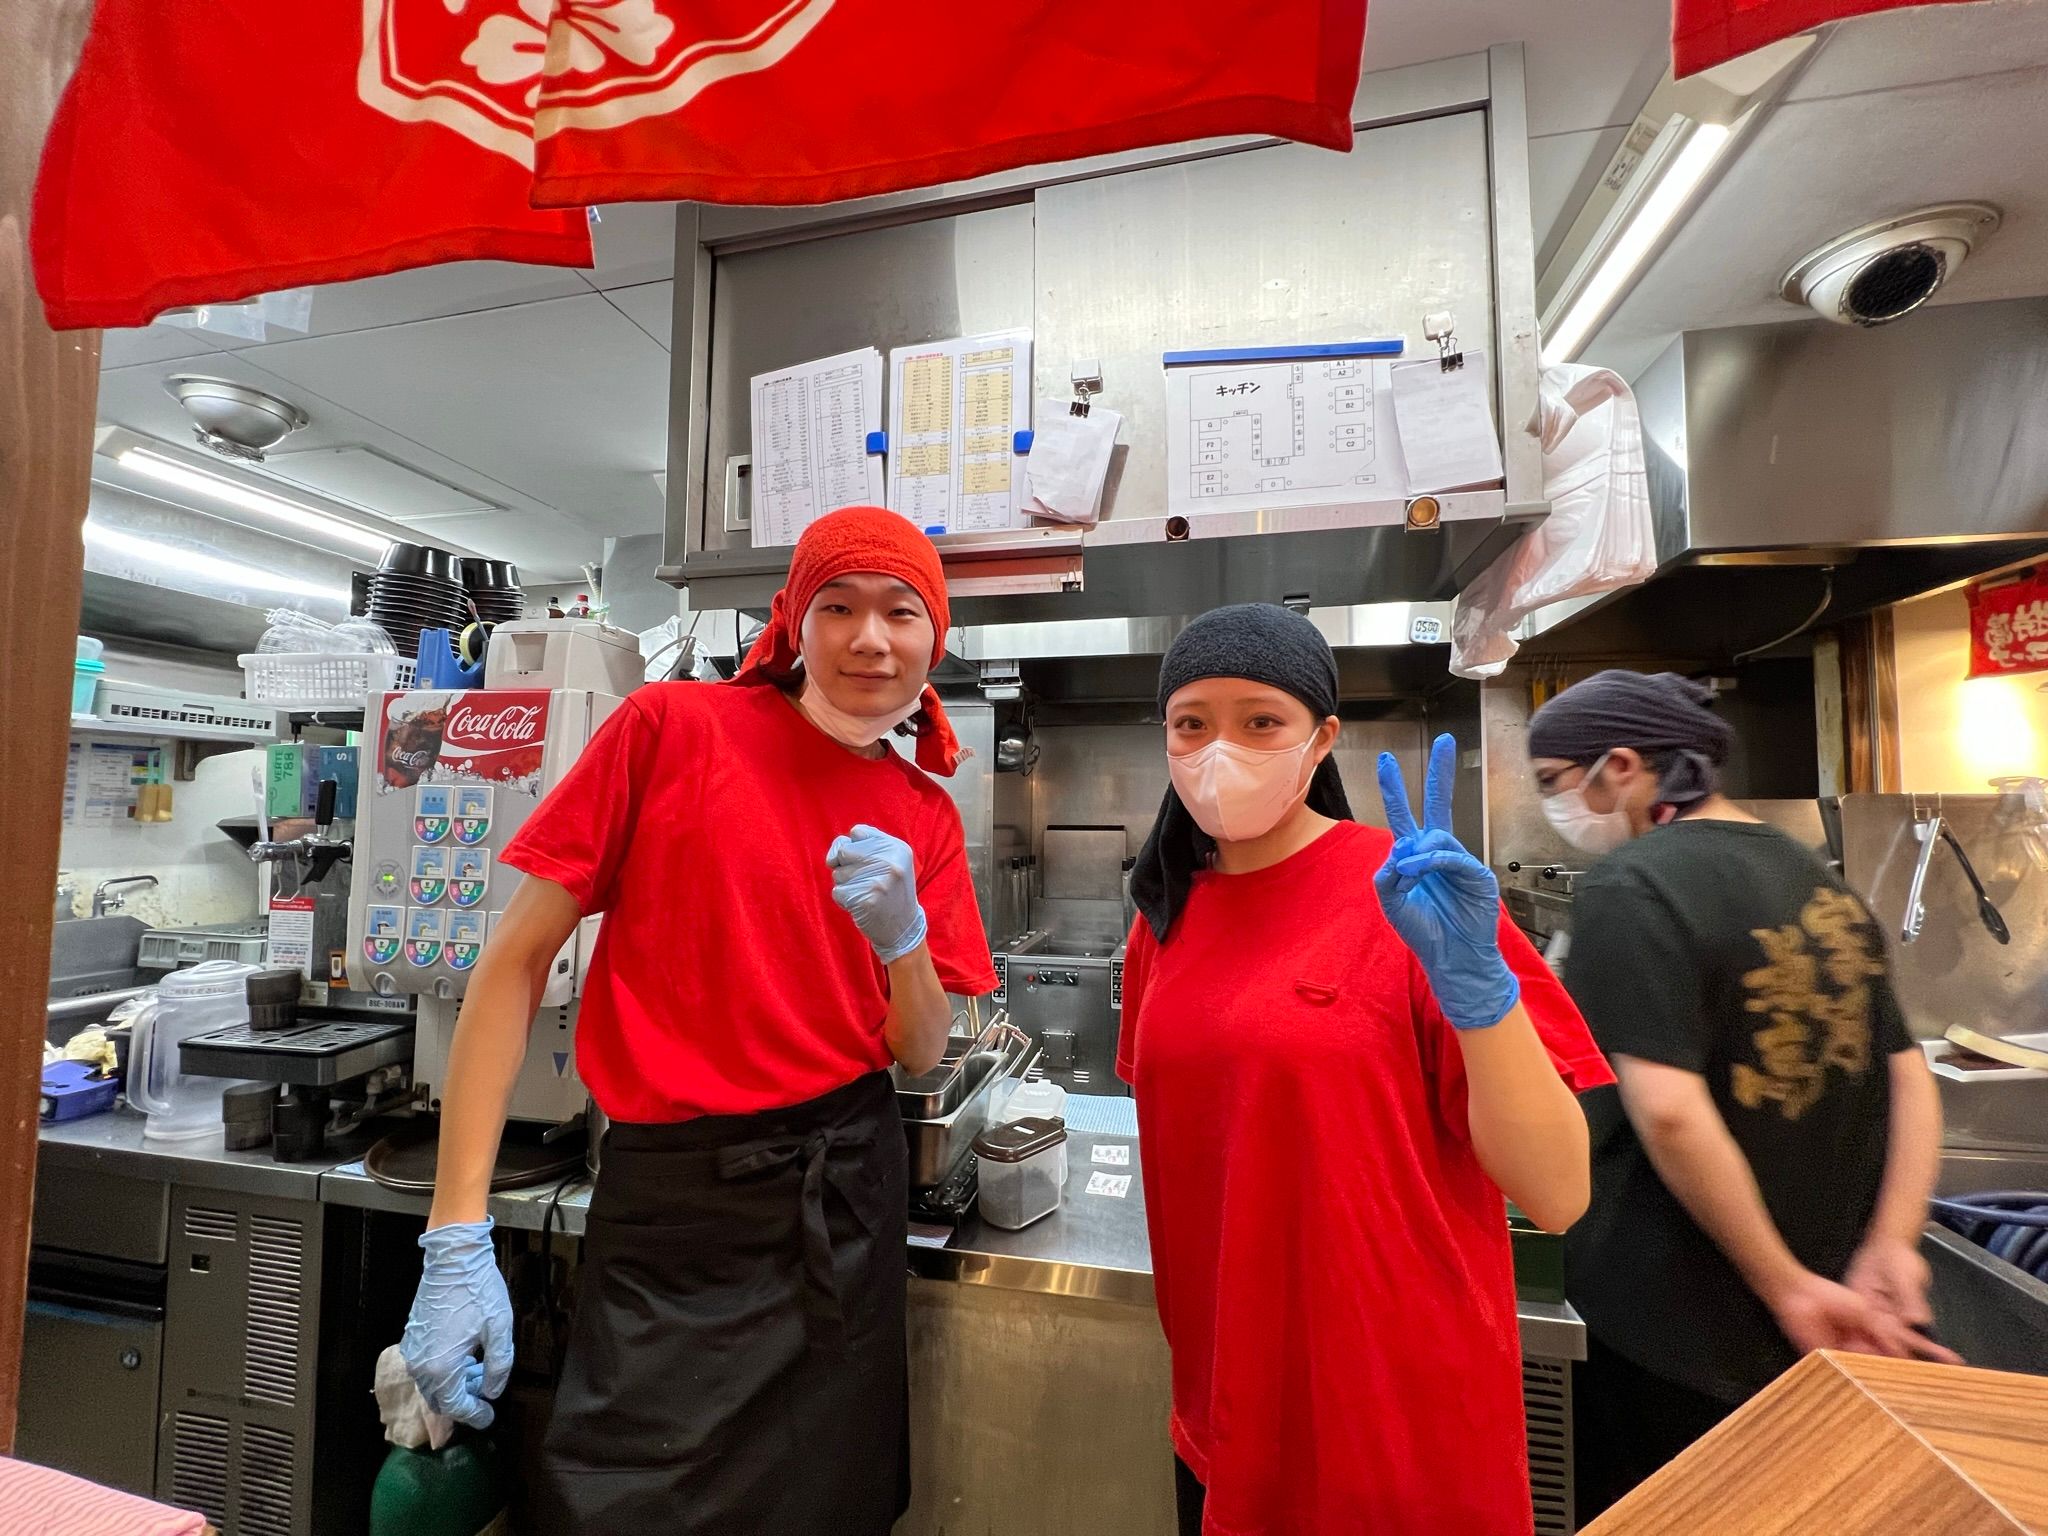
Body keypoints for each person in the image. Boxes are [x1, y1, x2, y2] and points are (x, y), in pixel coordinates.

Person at [398, 506, 997, 1534]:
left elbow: (921, 1049)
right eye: (838, 606)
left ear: (931, 639)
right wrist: (455, 1233)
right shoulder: (670, 730)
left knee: (827, 1506)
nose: (870, 637)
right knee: (629, 1503)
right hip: (676, 1201)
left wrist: (902, 943)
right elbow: (510, 968)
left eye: (901, 613)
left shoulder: (924, 813)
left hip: (843, 1193)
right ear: (790, 622)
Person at [1117, 604, 1613, 1536]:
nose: (1220, 750)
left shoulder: (1414, 893)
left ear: (1322, 738)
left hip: (1399, 1435)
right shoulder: (1163, 917)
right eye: (1192, 723)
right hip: (1228, 1421)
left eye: (1260, 720)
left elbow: (1558, 1192)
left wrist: (1482, 992)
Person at [1526, 669, 1957, 1519]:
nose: (1558, 805)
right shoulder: (1818, 877)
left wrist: (1783, 1283)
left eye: (1554, 783)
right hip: (1818, 1313)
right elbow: (1910, 1078)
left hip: (1677, 1327)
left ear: (1620, 767)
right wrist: (1892, 1246)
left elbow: (1670, 1110)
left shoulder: (1633, 885)